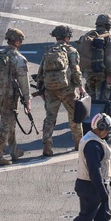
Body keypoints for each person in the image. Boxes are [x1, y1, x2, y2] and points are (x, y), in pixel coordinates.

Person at [38, 25, 85, 157]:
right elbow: (75, 70)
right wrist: (80, 86)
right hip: (67, 90)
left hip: (50, 90)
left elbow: (41, 71)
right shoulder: (71, 51)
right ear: (67, 37)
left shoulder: (49, 51)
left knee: (50, 118)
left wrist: (41, 89)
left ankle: (47, 145)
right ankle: (79, 143)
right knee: (75, 116)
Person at [0, 27, 32, 166]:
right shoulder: (18, 59)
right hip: (9, 96)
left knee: (10, 121)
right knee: (6, 124)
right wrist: (28, 100)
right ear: (18, 42)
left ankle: (14, 150)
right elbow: (24, 83)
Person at [77, 14, 111, 104]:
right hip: (101, 74)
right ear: (109, 25)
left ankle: (90, 112)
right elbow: (110, 57)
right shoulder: (109, 38)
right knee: (103, 100)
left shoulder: (87, 36)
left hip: (88, 72)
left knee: (90, 99)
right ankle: (101, 113)